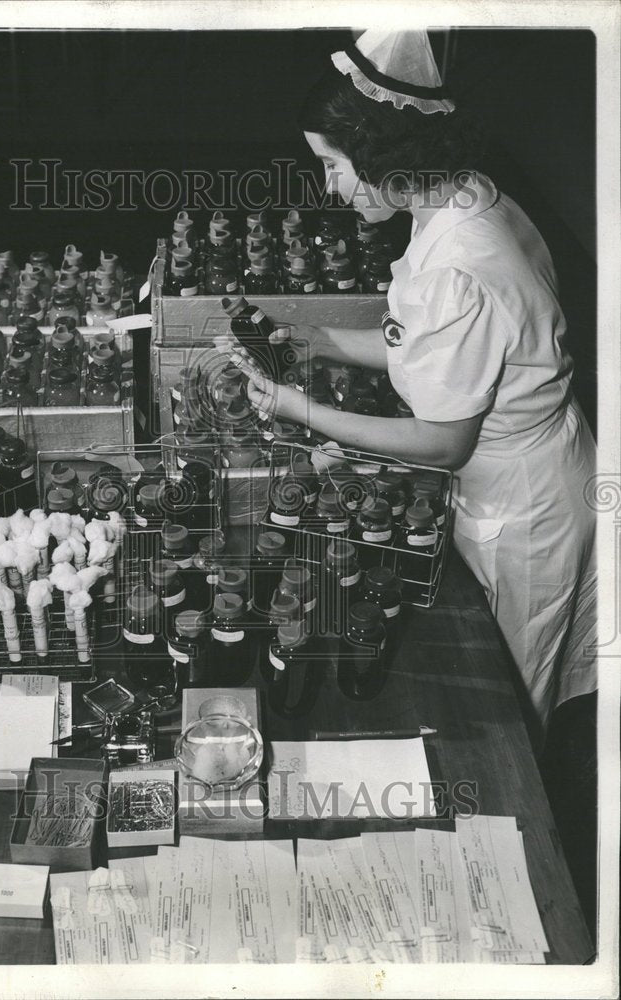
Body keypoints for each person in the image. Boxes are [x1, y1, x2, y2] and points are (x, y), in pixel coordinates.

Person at [246, 29, 597, 743]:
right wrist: (323, 340)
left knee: (503, 707)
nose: (329, 186)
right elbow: (430, 347)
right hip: (521, 471)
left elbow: (441, 441)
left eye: (334, 165)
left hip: (521, 507)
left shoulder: (458, 266)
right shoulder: (459, 199)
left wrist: (297, 407)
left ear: (384, 156)